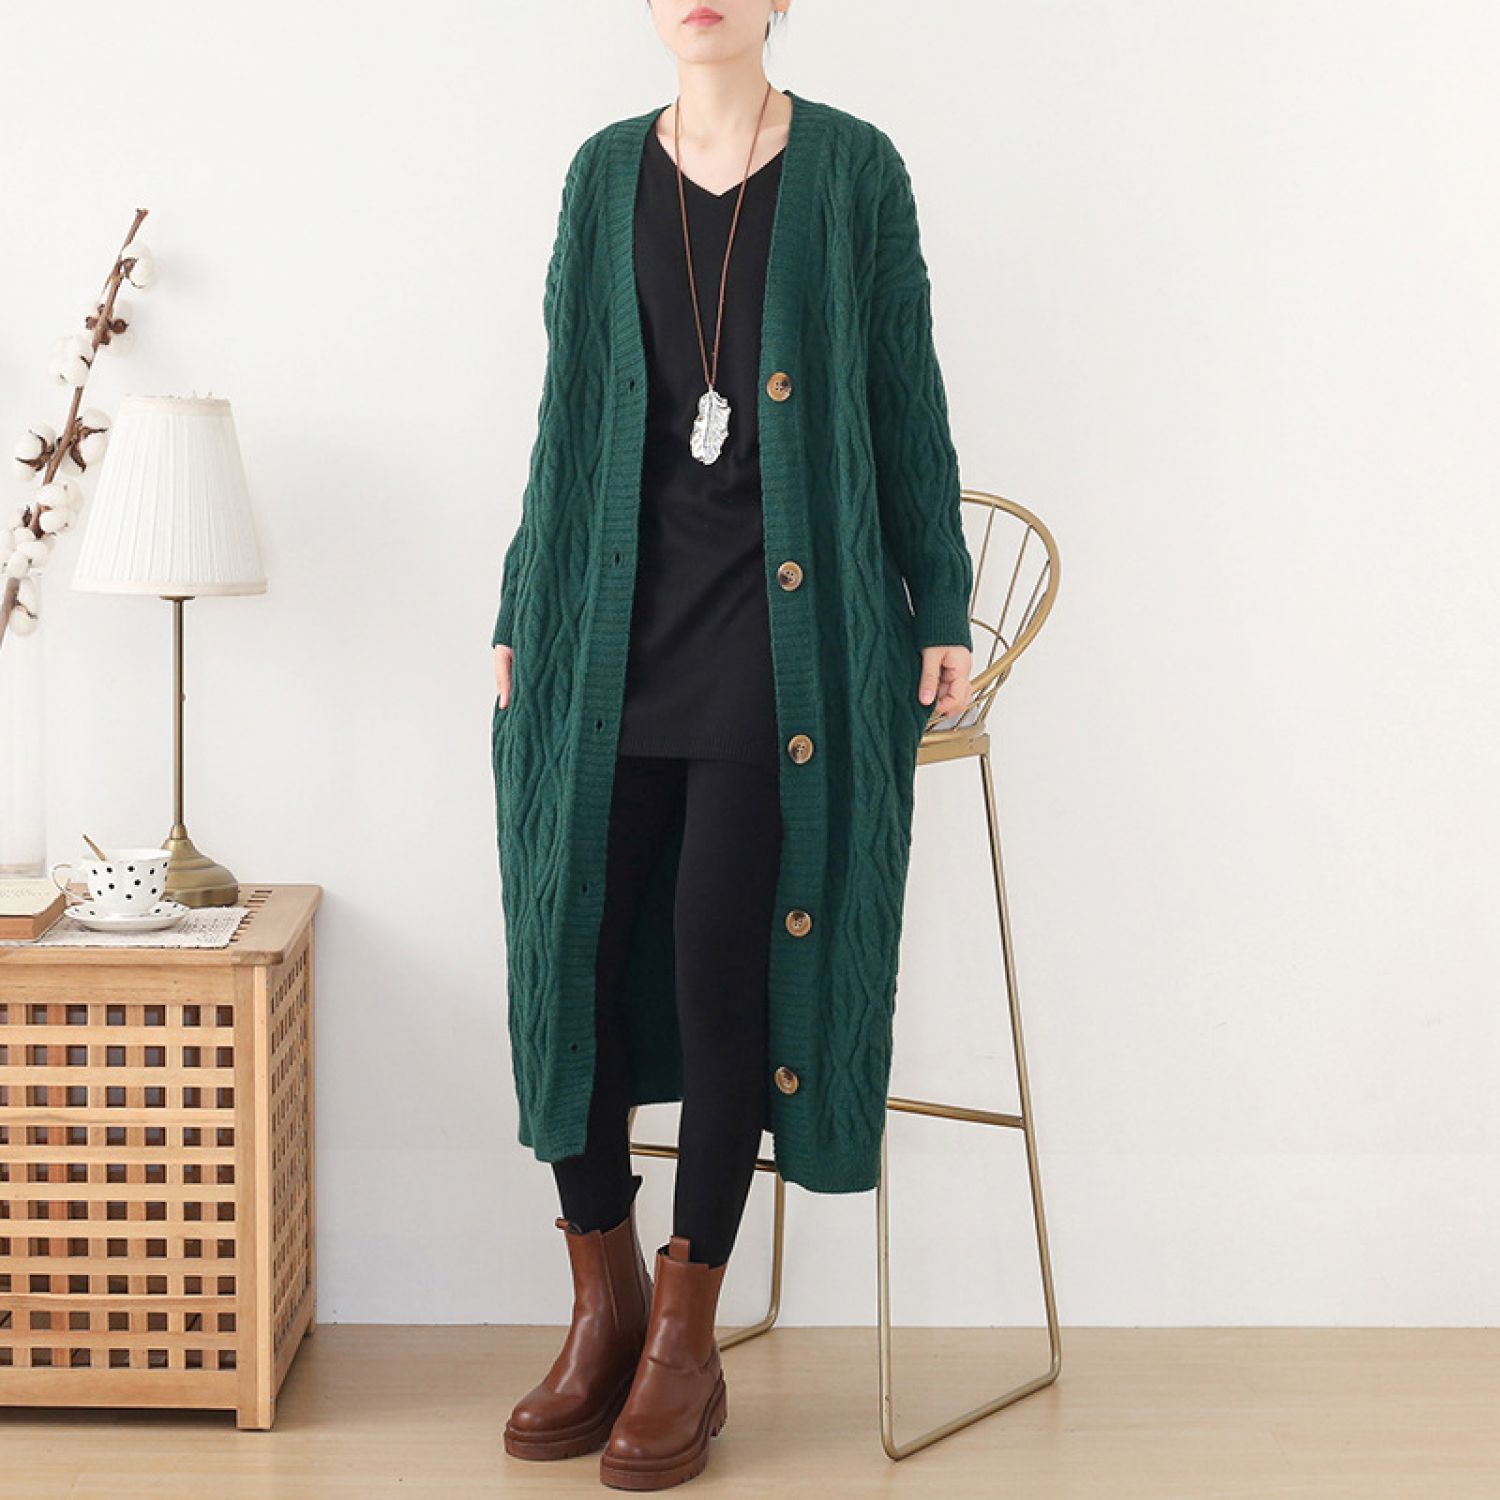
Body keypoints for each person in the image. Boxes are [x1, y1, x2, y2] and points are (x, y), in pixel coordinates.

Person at [491, 1, 975, 1489]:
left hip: (781, 653)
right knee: (568, 954)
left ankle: (686, 1338)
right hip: (611, 630)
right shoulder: (600, 174)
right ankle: (604, 1304)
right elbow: (569, 416)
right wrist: (521, 607)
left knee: (719, 972)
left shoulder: (854, 169)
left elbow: (903, 392)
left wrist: (939, 595)